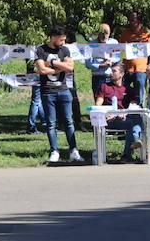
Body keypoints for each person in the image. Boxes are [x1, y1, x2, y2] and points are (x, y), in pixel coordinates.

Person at [35, 26, 81, 164]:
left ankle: (73, 150)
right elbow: (42, 70)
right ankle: (54, 151)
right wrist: (60, 67)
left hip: (64, 90)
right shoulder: (41, 50)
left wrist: (53, 63)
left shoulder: (65, 50)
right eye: (61, 39)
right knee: (51, 123)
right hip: (48, 92)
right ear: (53, 37)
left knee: (68, 121)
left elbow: (70, 68)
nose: (63, 42)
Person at [94, 65, 143, 162]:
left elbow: (134, 103)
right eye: (110, 71)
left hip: (123, 118)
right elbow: (98, 104)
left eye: (114, 71)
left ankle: (128, 153)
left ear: (121, 74)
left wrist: (124, 112)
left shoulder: (128, 89)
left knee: (137, 118)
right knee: (132, 123)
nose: (110, 73)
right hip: (108, 120)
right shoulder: (104, 87)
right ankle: (134, 142)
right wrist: (104, 114)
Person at [118, 12, 150, 108]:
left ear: (139, 21)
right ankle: (124, 111)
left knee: (139, 94)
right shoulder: (125, 33)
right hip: (127, 68)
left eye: (133, 20)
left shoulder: (146, 34)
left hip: (141, 69)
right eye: (130, 20)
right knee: (124, 92)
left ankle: (140, 112)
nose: (131, 22)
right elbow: (120, 49)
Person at [84, 23, 118, 97]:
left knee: (111, 101)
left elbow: (117, 58)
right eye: (102, 33)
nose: (104, 36)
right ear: (98, 33)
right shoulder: (90, 44)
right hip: (98, 78)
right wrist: (101, 65)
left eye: (106, 34)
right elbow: (87, 63)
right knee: (99, 102)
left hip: (111, 77)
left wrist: (110, 61)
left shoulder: (114, 42)